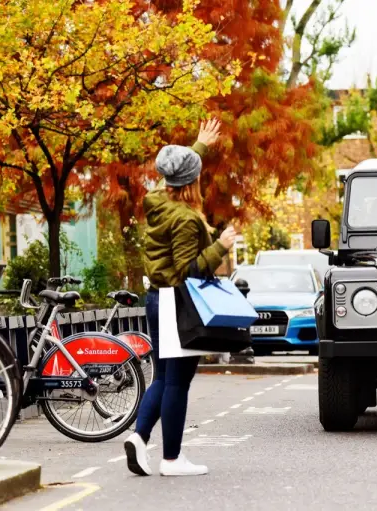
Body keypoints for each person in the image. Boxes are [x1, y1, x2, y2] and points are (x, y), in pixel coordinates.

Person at [124, 119, 237, 477]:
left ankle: (139, 438)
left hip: (157, 299)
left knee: (162, 376)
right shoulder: (186, 218)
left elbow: (174, 171)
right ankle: (171, 459)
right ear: (194, 182)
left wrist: (199, 145)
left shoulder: (158, 199)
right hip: (177, 302)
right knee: (177, 381)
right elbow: (186, 271)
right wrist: (221, 247)